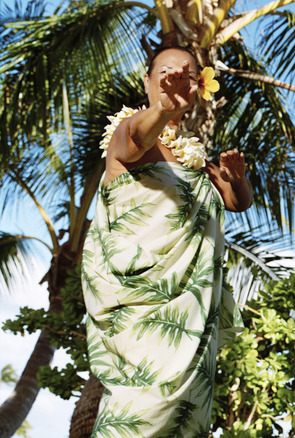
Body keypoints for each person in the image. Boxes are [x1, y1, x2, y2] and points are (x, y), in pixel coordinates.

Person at [82, 46, 252, 436]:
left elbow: (234, 201)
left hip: (192, 308)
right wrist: (162, 109)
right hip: (146, 301)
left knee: (186, 413)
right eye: (166, 72)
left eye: (188, 74)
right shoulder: (127, 131)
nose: (177, 78)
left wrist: (236, 178)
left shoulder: (194, 156)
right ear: (148, 81)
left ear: (198, 86)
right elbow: (135, 141)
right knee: (141, 407)